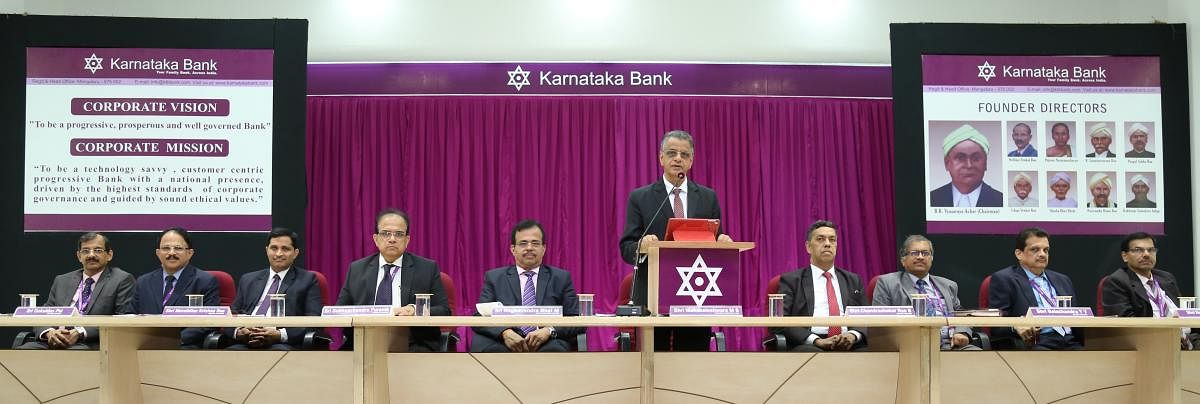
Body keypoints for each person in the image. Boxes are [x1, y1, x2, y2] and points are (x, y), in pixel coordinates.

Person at [618, 130, 732, 351]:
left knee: (692, 361)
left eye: (684, 154)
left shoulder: (708, 197)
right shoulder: (640, 197)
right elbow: (626, 247)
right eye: (671, 153)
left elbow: (715, 240)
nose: (678, 158)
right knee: (655, 361)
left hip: (696, 292)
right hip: (654, 294)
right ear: (661, 158)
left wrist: (723, 242)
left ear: (691, 160)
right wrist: (642, 245)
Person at [336, 208, 450, 352]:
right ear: (376, 239)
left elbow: (444, 310)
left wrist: (415, 309)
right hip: (364, 343)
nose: (392, 239)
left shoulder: (427, 268)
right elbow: (340, 310)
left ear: (407, 240)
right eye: (385, 233)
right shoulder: (357, 269)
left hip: (413, 344)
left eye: (399, 234)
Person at [471, 220, 582, 352]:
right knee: (489, 349)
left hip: (547, 341)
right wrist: (505, 333)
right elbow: (480, 316)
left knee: (554, 351)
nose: (529, 247)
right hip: (505, 340)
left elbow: (576, 319)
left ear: (543, 249)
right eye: (523, 243)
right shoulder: (495, 278)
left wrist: (549, 330)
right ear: (513, 249)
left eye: (535, 243)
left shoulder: (561, 278)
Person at [17, 232, 135, 350]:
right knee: (22, 351)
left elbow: (122, 319)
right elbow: (45, 312)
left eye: (98, 250)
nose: (91, 255)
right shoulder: (62, 280)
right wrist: (49, 332)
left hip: (89, 342)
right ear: (79, 256)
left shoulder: (121, 280)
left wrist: (80, 332)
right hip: (53, 339)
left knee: (74, 352)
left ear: (109, 255)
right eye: (85, 251)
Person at [769, 221, 867, 351]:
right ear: (808, 247)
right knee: (809, 352)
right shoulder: (791, 280)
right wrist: (816, 340)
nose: (827, 243)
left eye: (832, 240)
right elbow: (779, 321)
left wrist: (854, 335)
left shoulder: (853, 280)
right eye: (820, 239)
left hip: (849, 342)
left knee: (873, 354)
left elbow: (867, 317)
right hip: (809, 342)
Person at [224, 228, 324, 350]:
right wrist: (239, 332)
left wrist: (279, 334)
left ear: (295, 253)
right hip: (246, 340)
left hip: (282, 343)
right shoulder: (248, 279)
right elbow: (230, 315)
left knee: (278, 351)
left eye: (285, 249)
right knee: (231, 352)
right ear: (267, 250)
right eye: (274, 248)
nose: (278, 254)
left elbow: (314, 320)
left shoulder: (307, 280)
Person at [873, 235, 978, 350]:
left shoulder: (948, 285)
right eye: (914, 253)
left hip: (951, 344)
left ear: (931, 258)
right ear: (903, 259)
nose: (920, 257)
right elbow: (880, 320)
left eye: (925, 253)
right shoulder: (888, 283)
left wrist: (962, 333)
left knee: (983, 360)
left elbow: (960, 313)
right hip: (910, 347)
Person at [988, 227, 1082, 350]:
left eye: (1046, 250)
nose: (1042, 254)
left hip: (1069, 340)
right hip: (1036, 342)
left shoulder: (1063, 280)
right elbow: (996, 324)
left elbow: (1077, 317)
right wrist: (1016, 326)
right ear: (1019, 254)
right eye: (1035, 249)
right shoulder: (1004, 279)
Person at [130, 227, 221, 348]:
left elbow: (209, 323)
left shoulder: (205, 281)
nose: (171, 253)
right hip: (145, 345)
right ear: (158, 253)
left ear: (190, 253)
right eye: (166, 248)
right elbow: (130, 315)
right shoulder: (143, 282)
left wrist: (172, 340)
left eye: (178, 248)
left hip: (185, 346)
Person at [1100, 232, 1190, 349]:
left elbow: (1184, 313)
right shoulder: (1117, 282)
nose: (1146, 254)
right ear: (1125, 256)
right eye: (1138, 250)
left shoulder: (1167, 278)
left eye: (1151, 250)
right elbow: (1125, 326)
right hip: (1150, 347)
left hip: (1184, 343)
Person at [929, 124, 1004, 207]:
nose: (969, 165)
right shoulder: (931, 199)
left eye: (975, 158)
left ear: (985, 163)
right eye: (960, 158)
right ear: (947, 163)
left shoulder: (1001, 201)